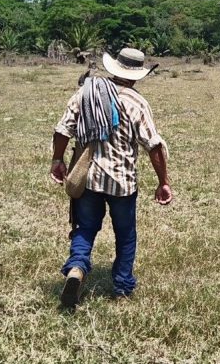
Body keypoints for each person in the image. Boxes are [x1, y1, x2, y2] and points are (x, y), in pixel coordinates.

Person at [50, 47, 173, 307]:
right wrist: (163, 182)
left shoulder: (86, 92)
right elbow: (154, 146)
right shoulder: (137, 103)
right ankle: (121, 288)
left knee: (85, 228)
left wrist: (58, 160)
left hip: (88, 178)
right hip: (122, 182)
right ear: (138, 75)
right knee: (126, 234)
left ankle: (77, 268)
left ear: (114, 67)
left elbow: (62, 130)